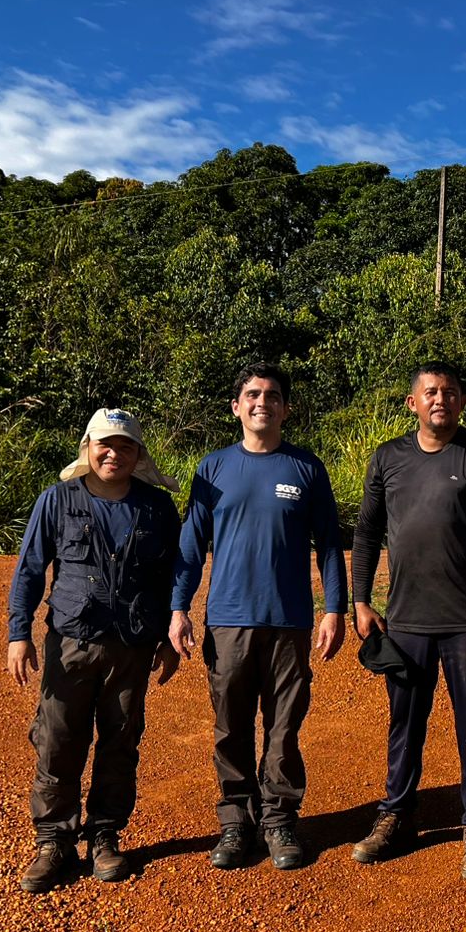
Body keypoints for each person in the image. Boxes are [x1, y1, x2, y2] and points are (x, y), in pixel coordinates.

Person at [349, 361, 466, 881]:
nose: (439, 400)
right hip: (404, 621)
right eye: (430, 393)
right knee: (405, 723)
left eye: (449, 392)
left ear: (462, 401)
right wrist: (361, 600)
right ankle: (397, 814)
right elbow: (365, 533)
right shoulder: (389, 458)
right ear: (413, 403)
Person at [169, 363, 347, 872]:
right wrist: (179, 608)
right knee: (230, 725)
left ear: (286, 408)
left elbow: (330, 548)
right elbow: (190, 546)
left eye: (271, 395)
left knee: (284, 726)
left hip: (290, 621)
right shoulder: (213, 469)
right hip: (228, 621)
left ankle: (279, 819)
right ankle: (235, 822)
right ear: (236, 407)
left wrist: (332, 609)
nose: (261, 402)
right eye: (251, 394)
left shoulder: (306, 468)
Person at [6, 408, 183, 893]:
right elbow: (29, 570)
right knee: (57, 742)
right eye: (105, 444)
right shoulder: (57, 501)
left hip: (132, 648)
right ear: (88, 447)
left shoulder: (156, 508)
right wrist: (18, 634)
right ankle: (53, 840)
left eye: (125, 446)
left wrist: (170, 636)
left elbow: (171, 575)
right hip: (71, 645)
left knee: (120, 744)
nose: (114, 454)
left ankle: (104, 836)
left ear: (137, 454)